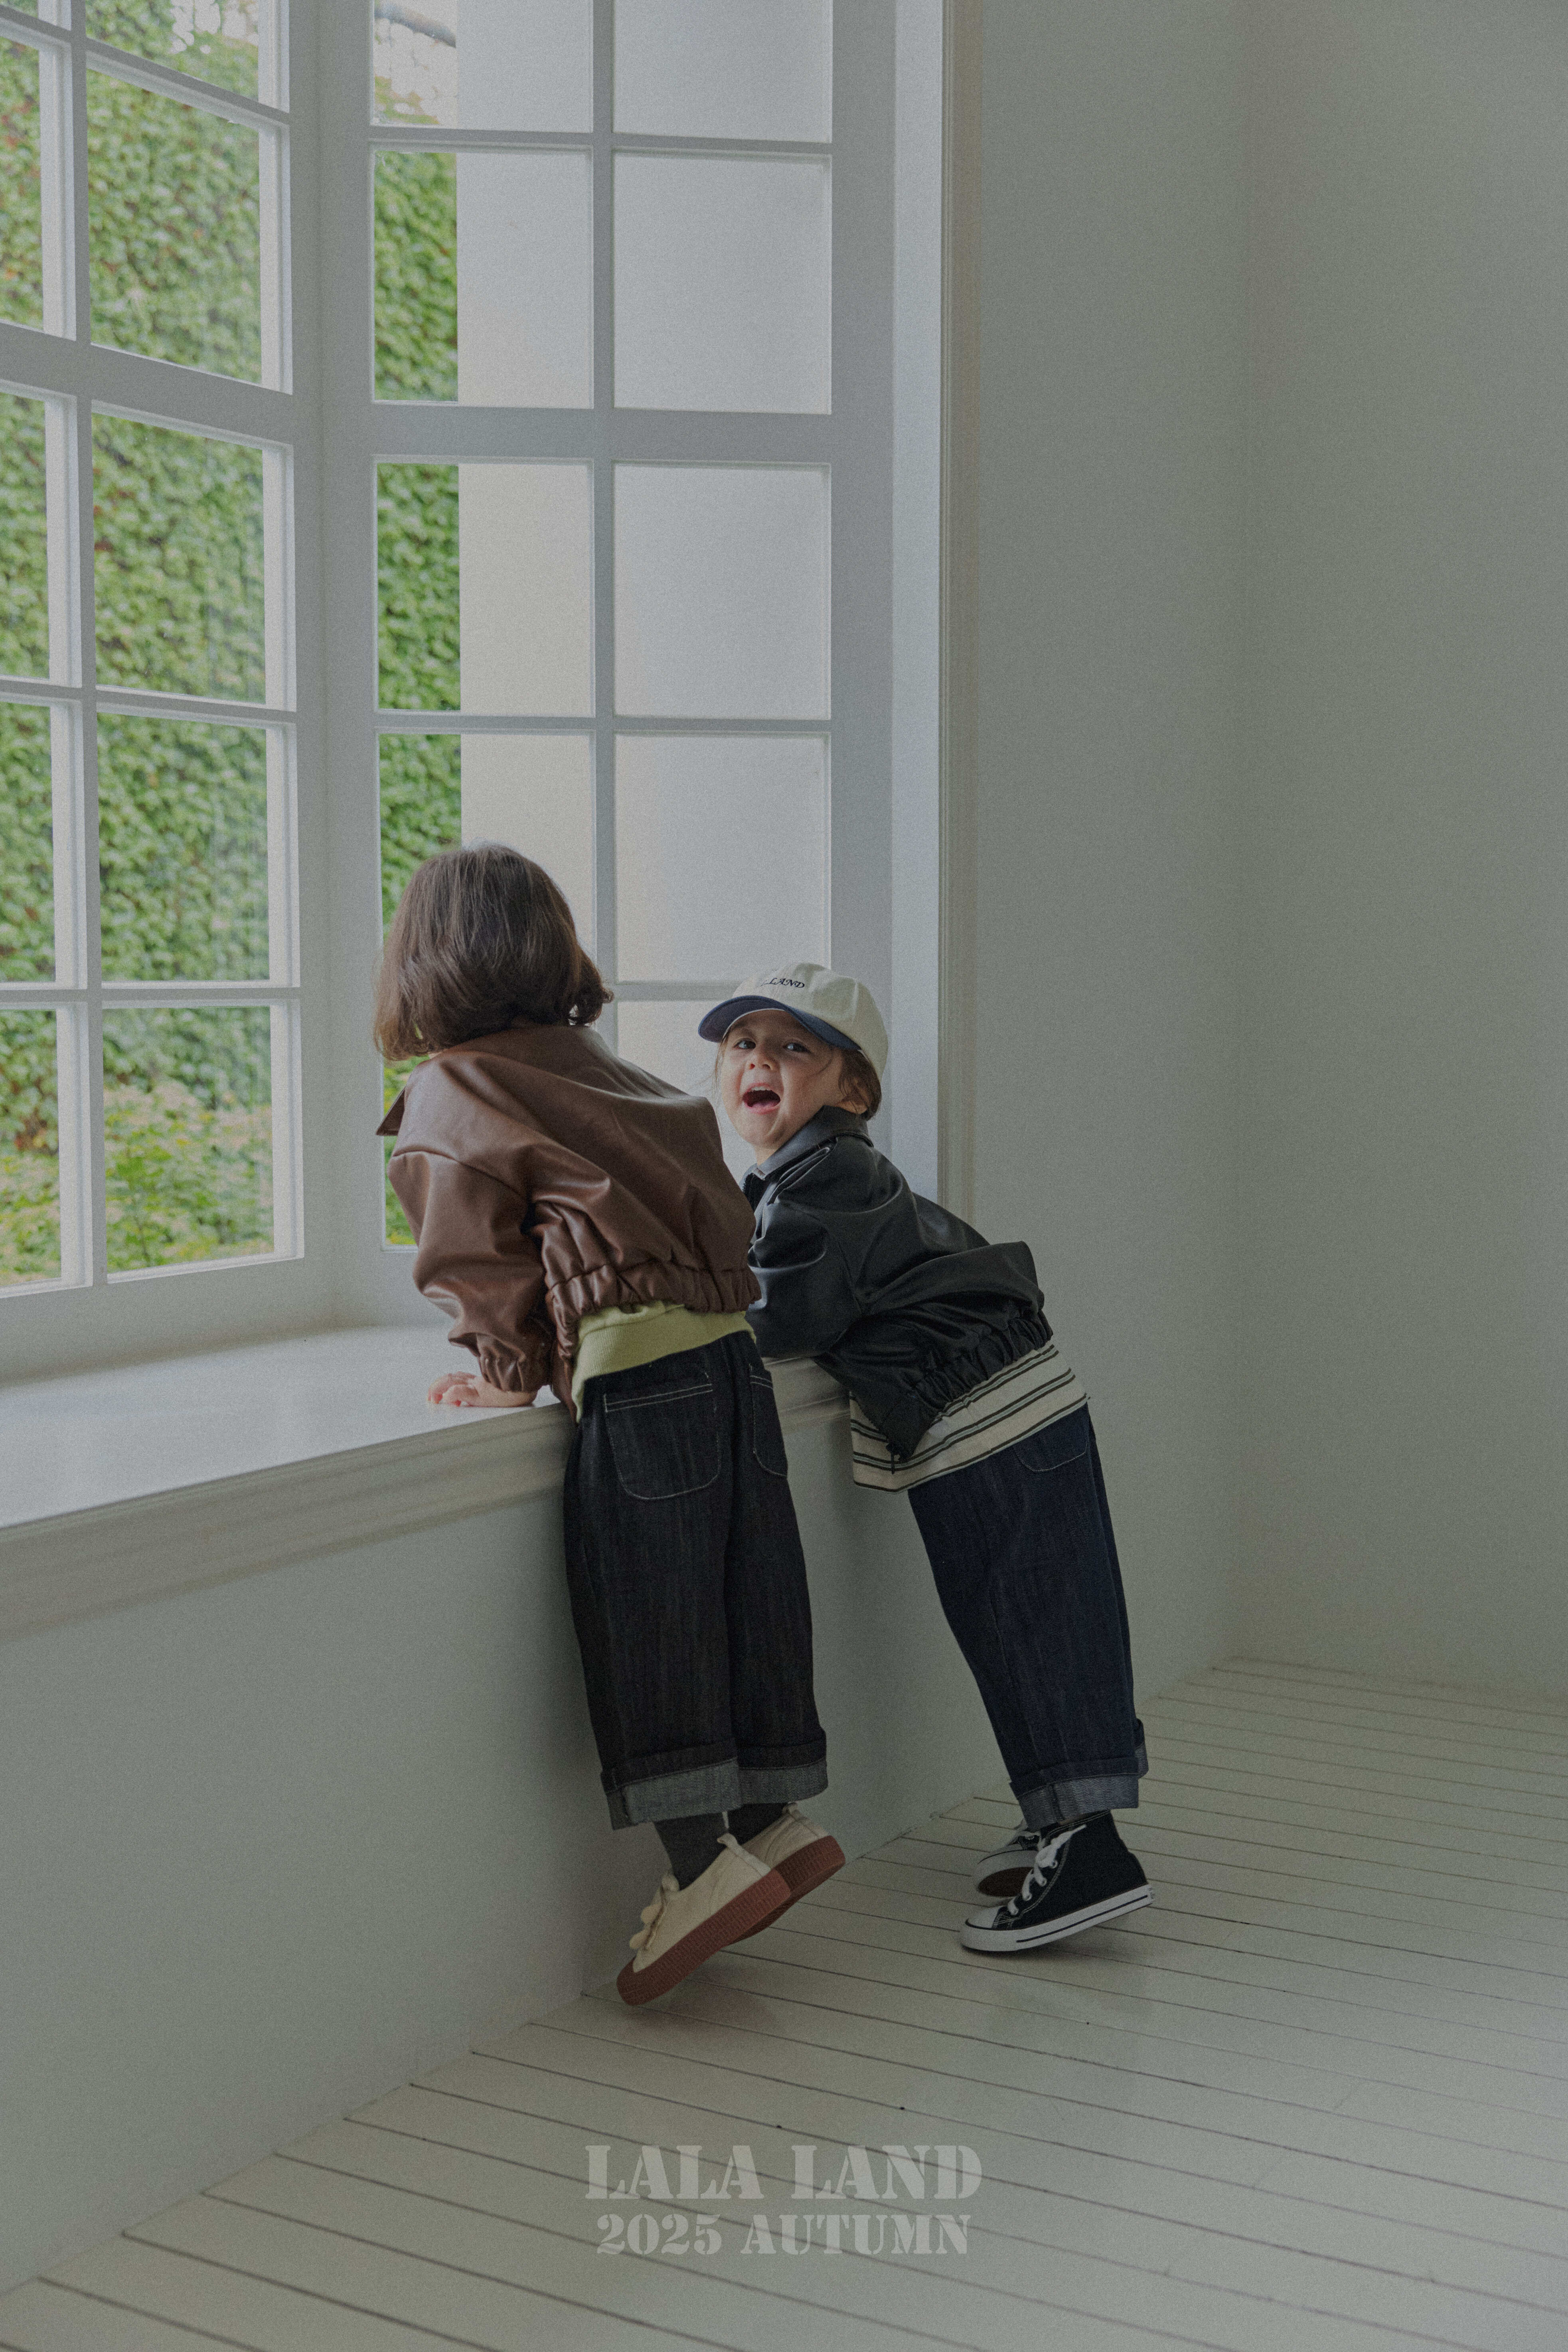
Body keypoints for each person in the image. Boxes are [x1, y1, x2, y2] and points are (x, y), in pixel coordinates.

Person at [376, 850, 843, 2004]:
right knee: (747, 1591)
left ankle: (701, 1867)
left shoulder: (456, 1090)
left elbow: (474, 1253)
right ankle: (771, 1819)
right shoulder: (603, 1067)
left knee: (650, 1615)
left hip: (641, 1380)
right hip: (732, 1365)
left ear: (423, 957)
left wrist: (506, 1374)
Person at [705, 962, 1150, 1953]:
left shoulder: (830, 1177)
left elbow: (784, 1316)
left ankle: (1088, 1845)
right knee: (1042, 1619)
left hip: (991, 1416)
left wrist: (673, 1307)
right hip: (1006, 1404)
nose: (760, 1060)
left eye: (794, 1045)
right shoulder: (811, 1177)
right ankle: (1063, 1814)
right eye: (742, 1043)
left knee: (1028, 1624)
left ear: (853, 1087)